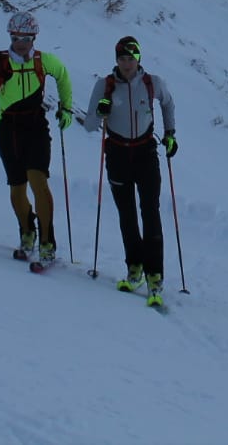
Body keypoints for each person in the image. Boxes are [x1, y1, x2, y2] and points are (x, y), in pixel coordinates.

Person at [0, 11, 74, 263]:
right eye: (16, 37)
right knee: (16, 188)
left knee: (38, 182)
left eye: (25, 37)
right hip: (8, 129)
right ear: (10, 36)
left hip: (36, 125)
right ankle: (27, 232)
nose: (20, 42)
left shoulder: (44, 61)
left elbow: (63, 75)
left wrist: (65, 108)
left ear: (34, 38)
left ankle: (47, 241)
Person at [82, 35, 176, 301]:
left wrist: (170, 133)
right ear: (116, 60)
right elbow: (89, 125)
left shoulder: (152, 83)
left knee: (150, 211)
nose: (127, 63)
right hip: (117, 153)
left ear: (138, 59)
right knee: (127, 214)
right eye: (122, 58)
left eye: (131, 58)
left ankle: (154, 273)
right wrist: (101, 112)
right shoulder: (105, 85)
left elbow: (168, 102)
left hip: (146, 152)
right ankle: (134, 268)